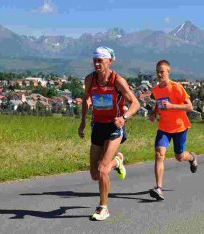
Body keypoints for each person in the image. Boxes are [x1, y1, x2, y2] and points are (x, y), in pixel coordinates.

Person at [78, 46, 140, 220]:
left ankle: (103, 208)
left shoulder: (117, 80)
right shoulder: (90, 79)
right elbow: (86, 99)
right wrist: (82, 121)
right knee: (94, 175)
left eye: (100, 61)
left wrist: (125, 117)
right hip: (97, 126)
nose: (96, 64)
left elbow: (135, 103)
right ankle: (118, 160)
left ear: (109, 61)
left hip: (114, 126)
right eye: (94, 60)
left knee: (103, 169)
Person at [149, 60, 198, 201]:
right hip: (164, 127)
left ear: (168, 72)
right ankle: (158, 188)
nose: (159, 74)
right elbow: (159, 103)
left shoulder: (177, 87)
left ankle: (192, 157)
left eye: (162, 71)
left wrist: (171, 106)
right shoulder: (156, 90)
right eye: (157, 71)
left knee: (179, 157)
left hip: (179, 127)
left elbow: (189, 107)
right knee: (159, 154)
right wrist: (154, 113)